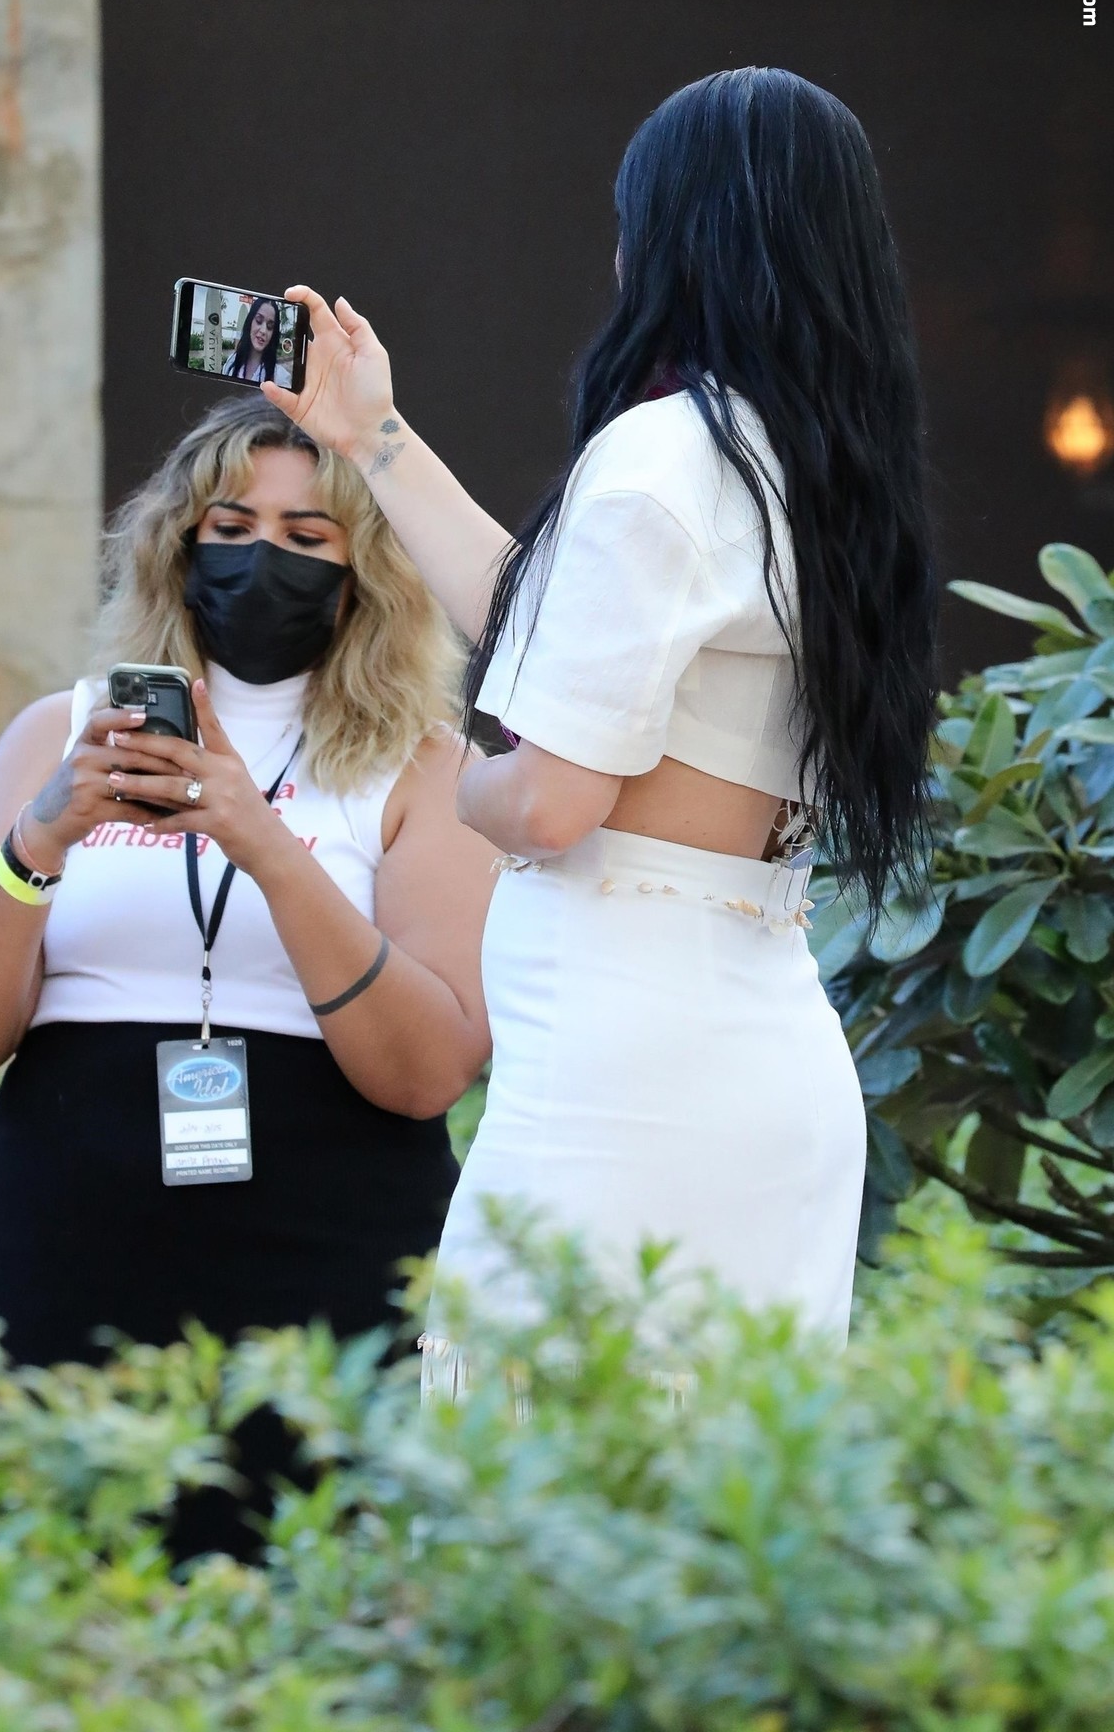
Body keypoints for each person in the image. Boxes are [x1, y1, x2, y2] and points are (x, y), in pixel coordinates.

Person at [261, 67, 937, 1387]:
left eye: (632, 222)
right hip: (756, 1048)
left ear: (677, 239)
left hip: (629, 1079)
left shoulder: (662, 456)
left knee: (536, 1458)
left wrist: (463, 784)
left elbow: (551, 801)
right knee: (721, 1484)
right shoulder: (812, 467)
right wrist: (369, 433)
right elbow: (555, 629)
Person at [0, 393, 497, 1550]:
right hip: (61, 1236)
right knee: (45, 1575)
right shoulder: (58, 732)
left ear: (365, 572)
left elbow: (428, 1071)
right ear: (176, 546)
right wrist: (39, 840)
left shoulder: (427, 768)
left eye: (305, 536)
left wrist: (263, 843)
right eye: (228, 528)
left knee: (306, 1592)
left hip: (328, 1254)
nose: (259, 560)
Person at [224, 296, 291, 387]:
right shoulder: (231, 361)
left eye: (270, 326)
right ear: (250, 321)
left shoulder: (280, 377)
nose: (263, 330)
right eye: (259, 320)